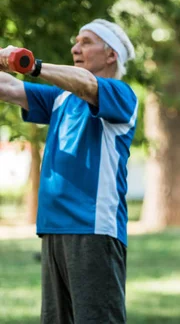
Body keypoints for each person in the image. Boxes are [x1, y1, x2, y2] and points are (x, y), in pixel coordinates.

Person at [0, 19, 137, 324]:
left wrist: (31, 65)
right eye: (76, 41)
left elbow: (87, 84)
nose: (76, 47)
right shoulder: (60, 98)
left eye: (87, 42)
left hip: (93, 228)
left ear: (111, 54)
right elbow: (6, 86)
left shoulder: (121, 94)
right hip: (53, 227)